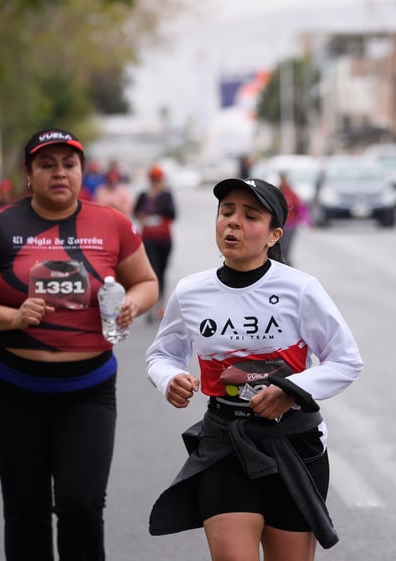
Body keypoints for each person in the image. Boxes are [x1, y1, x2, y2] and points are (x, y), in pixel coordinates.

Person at [0, 127, 159, 561]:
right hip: (12, 391)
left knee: (81, 506)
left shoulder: (113, 224)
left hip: (88, 391)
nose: (59, 173)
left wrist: (132, 305)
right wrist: (13, 315)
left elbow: (147, 282)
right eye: (47, 164)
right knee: (25, 512)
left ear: (82, 171)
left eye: (69, 164)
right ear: (28, 174)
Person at [145, 177, 363, 561]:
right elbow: (162, 354)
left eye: (250, 216)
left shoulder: (301, 289)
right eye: (226, 212)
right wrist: (169, 379)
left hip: (294, 444)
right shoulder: (191, 291)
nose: (233, 223)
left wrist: (290, 390)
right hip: (224, 441)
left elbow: (345, 360)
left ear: (273, 234)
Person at [134, 164, 176, 323]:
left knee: (163, 271)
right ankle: (152, 303)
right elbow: (135, 211)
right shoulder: (143, 195)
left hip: (164, 238)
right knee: (154, 270)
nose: (156, 182)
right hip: (148, 239)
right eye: (153, 179)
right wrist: (143, 216)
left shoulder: (166, 195)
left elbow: (173, 214)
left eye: (158, 179)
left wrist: (158, 206)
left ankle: (160, 302)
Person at [277, 171, 310, 266]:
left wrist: (306, 220)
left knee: (286, 249)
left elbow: (300, 207)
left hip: (290, 225)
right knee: (278, 250)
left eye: (284, 179)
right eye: (281, 179)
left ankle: (289, 269)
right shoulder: (277, 192)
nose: (282, 181)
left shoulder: (292, 194)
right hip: (279, 225)